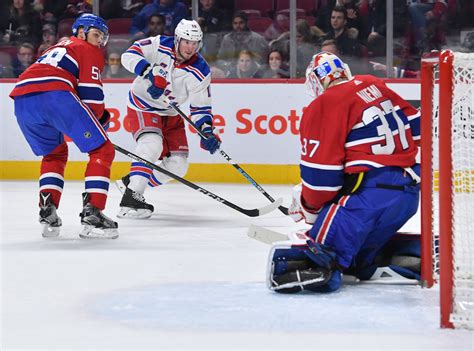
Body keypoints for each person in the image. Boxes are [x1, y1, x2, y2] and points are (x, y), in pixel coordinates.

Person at [267, 52, 421, 293]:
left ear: (315, 82)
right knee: (357, 262)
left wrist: (307, 207)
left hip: (369, 198)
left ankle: (327, 265)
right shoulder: (373, 84)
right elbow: (418, 128)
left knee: (321, 254)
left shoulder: (324, 103)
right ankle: (408, 255)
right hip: (409, 194)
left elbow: (321, 182)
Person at [9, 14, 119, 240]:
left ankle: (47, 208)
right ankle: (93, 213)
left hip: (22, 100)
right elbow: (92, 99)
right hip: (55, 95)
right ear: (81, 32)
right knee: (102, 150)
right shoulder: (87, 49)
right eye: (96, 34)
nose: (99, 41)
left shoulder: (55, 48)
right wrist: (100, 123)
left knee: (54, 154)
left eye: (102, 38)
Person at [117, 19, 220, 219]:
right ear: (177, 39)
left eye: (195, 43)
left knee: (178, 166)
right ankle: (130, 200)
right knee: (151, 144)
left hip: (171, 113)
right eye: (187, 42)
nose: (190, 47)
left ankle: (131, 182)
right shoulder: (159, 44)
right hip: (143, 105)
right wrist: (148, 72)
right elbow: (128, 55)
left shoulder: (200, 70)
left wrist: (206, 131)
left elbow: (201, 107)